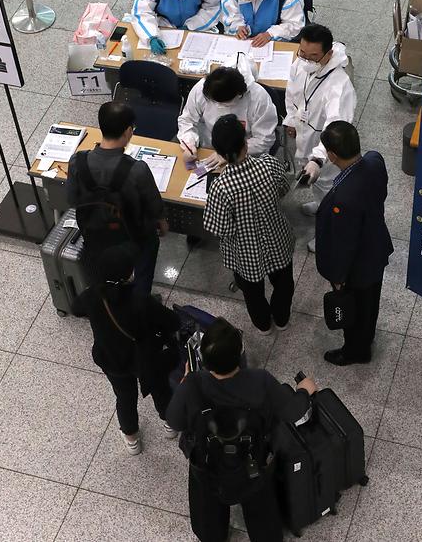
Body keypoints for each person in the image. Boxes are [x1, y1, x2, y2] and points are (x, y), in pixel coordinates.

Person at [167, 317, 318, 542]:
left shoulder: (193, 385)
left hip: (208, 464)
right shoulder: (261, 381)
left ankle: (212, 535)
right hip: (253, 462)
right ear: (240, 356)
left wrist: (184, 384)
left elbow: (175, 421)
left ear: (204, 361)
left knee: (207, 508)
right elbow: (293, 413)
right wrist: (304, 391)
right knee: (261, 510)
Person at [72, 245, 179, 455]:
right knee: (160, 390)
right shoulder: (140, 300)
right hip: (144, 359)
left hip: (111, 358)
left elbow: (76, 309)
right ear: (129, 273)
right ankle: (169, 426)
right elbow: (172, 321)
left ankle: (132, 439)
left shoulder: (93, 296)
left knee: (124, 396)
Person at [203, 115, 295, 334]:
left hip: (245, 252)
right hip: (277, 239)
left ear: (220, 153)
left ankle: (263, 324)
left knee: (253, 293)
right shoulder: (269, 165)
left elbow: (219, 228)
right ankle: (281, 319)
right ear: (246, 142)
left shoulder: (220, 188)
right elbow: (283, 190)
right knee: (283, 284)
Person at [67, 102, 169, 297]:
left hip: (94, 232)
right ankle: (141, 301)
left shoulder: (77, 161)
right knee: (149, 248)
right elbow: (154, 205)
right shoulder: (137, 169)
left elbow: (72, 199)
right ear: (129, 131)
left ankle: (109, 298)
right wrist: (162, 223)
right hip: (133, 234)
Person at [314, 121, 393, 366]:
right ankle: (366, 336)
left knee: (355, 310)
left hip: (358, 266)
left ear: (332, 155)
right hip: (376, 248)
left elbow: (344, 244)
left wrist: (338, 277)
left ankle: (356, 351)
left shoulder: (345, 198)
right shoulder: (374, 160)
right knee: (370, 303)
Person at [282, 24, 357, 252]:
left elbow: (335, 128)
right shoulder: (301, 64)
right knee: (318, 185)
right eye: (302, 53)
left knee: (331, 190)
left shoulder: (339, 85)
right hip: (306, 135)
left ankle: (329, 234)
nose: (306, 60)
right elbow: (292, 93)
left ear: (329, 54)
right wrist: (292, 120)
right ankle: (320, 203)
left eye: (313, 56)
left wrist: (318, 159)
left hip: (328, 152)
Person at [177, 66, 278, 168]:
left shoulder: (258, 97)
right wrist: (189, 143)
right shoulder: (201, 89)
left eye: (225, 104)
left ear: (239, 94)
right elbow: (187, 120)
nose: (219, 106)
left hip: (244, 154)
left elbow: (264, 139)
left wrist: (229, 154)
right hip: (208, 149)